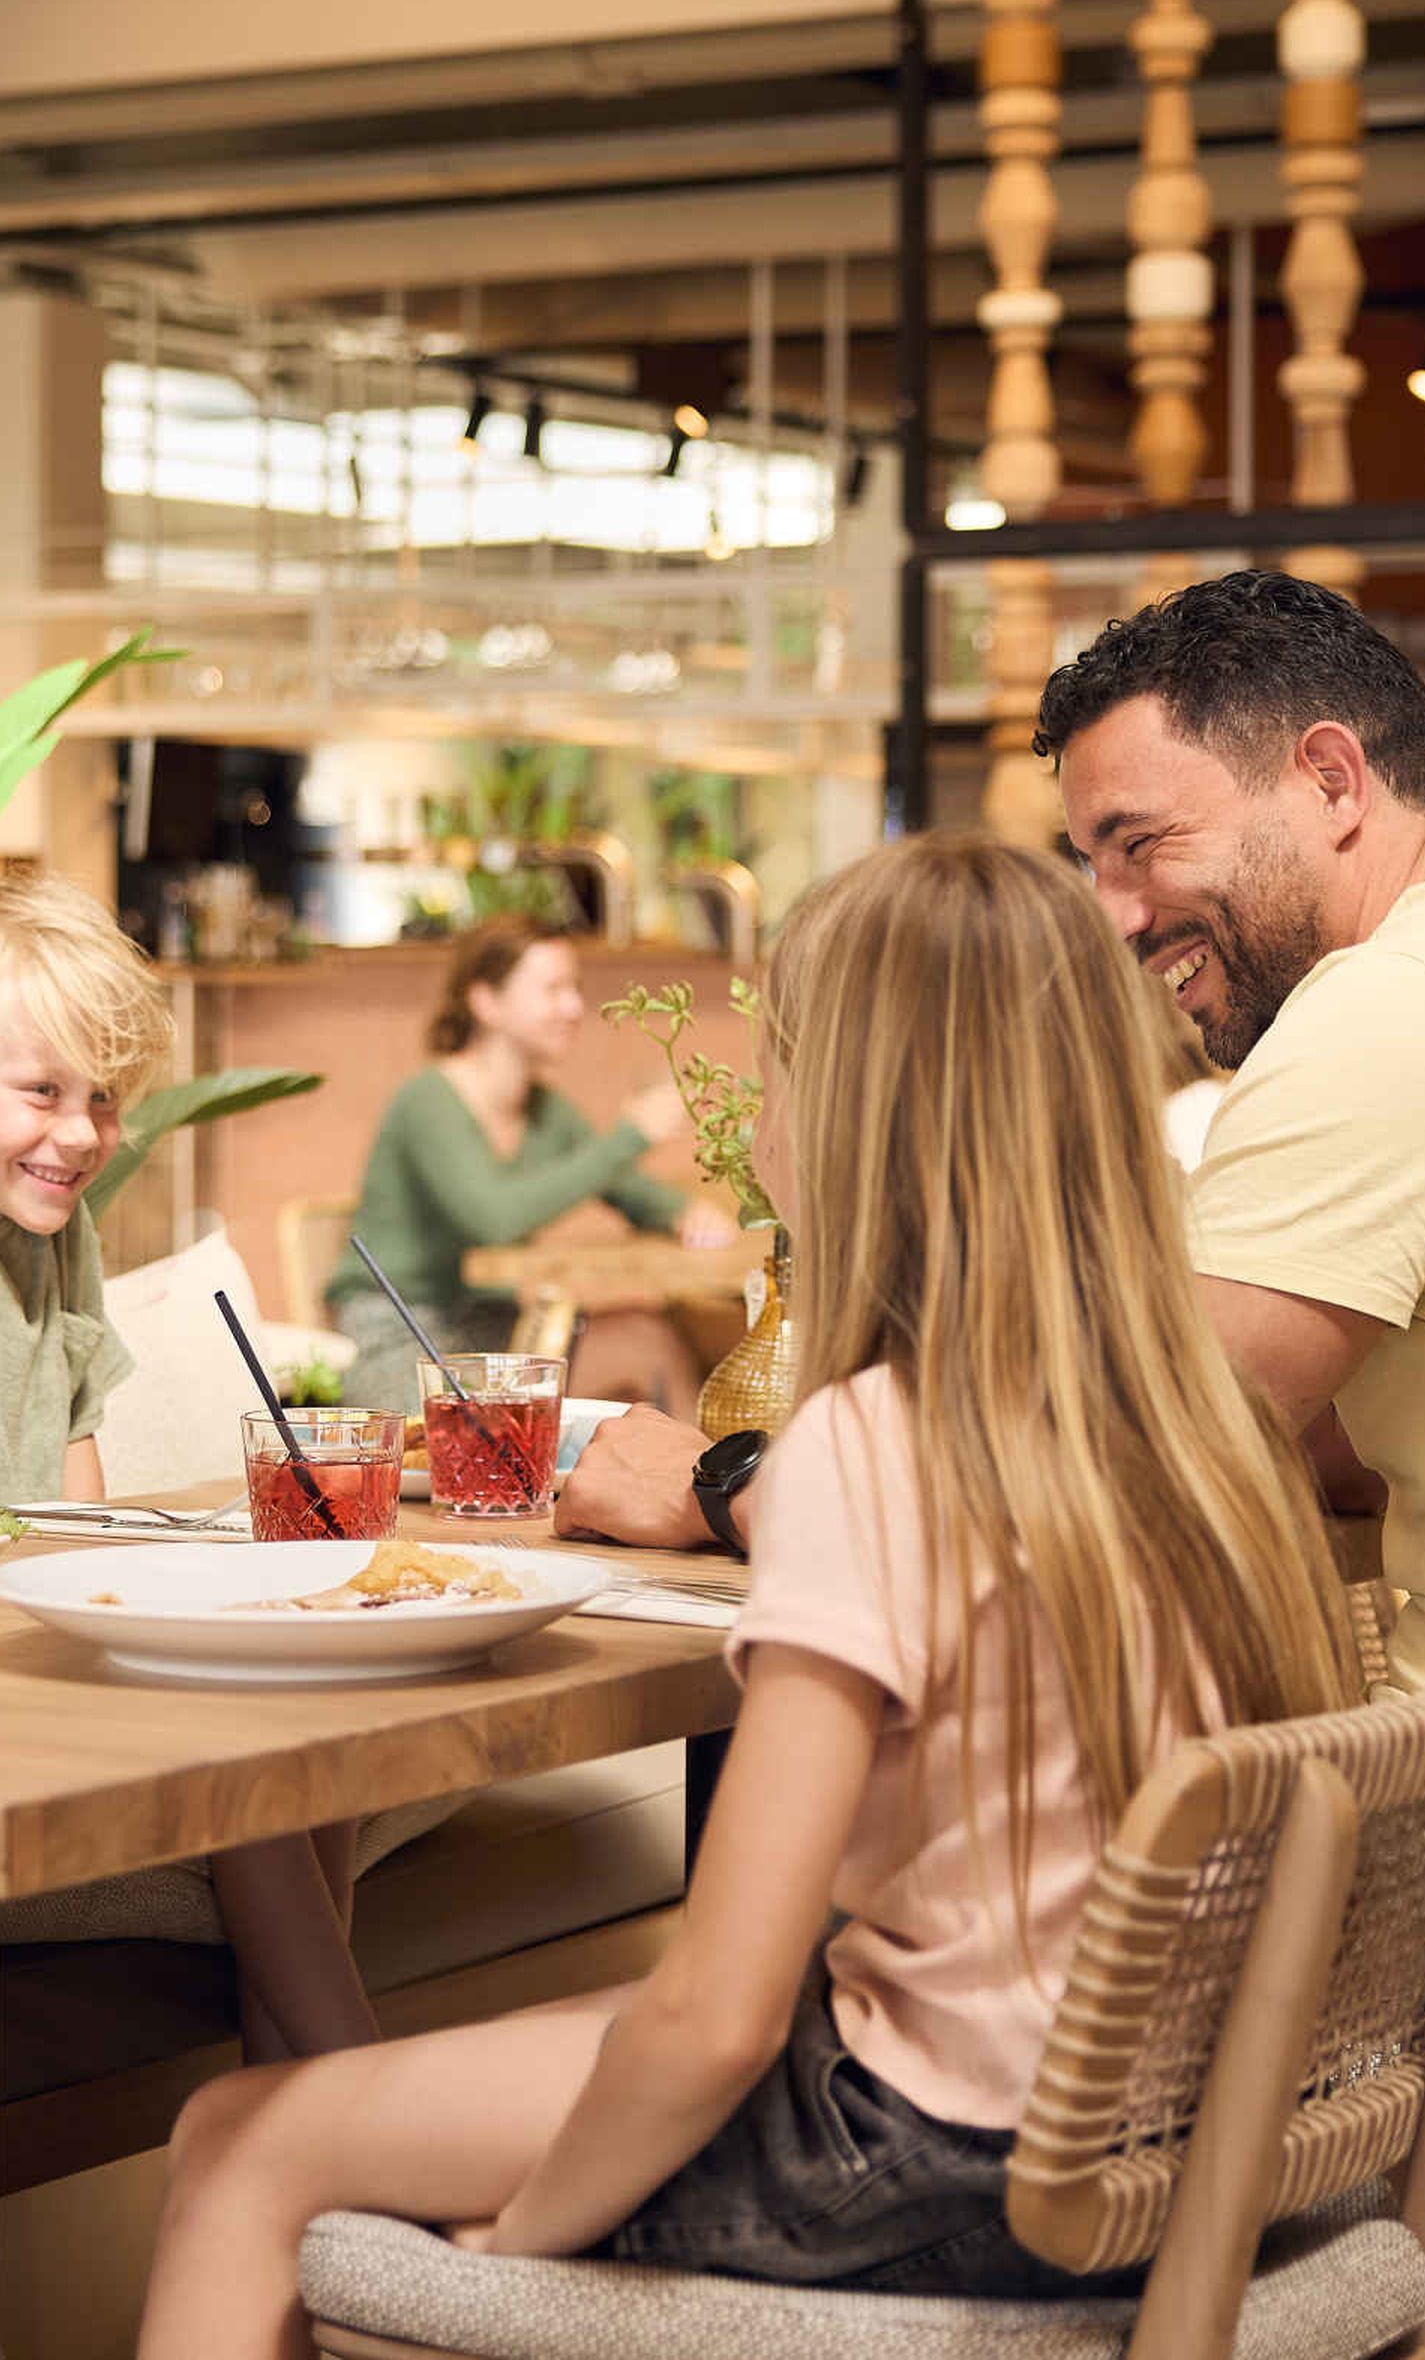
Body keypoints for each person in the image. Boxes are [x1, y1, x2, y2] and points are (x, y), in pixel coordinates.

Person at [561, 572, 1425, 2060]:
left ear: (1331, 778)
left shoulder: (1397, 1013)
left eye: (1142, 843)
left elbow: (1073, 1497)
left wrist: (724, 1486)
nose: (1110, 912)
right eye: (1086, 858)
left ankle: (824, 2224)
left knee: (974, 1927)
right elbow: (1347, 1439)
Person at [134, 836, 1362, 2355]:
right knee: (402, 2076)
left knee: (240, 2145)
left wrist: (529, 2243)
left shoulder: (879, 1443)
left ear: (848, 1118)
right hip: (1167, 2122)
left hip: (946, 2156)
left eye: (777, 1067)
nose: (758, 1116)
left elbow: (716, 2017)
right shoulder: (1210, 1429)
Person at [0, 870, 380, 2061]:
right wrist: (55, 1585)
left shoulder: (58, 1228)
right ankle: (349, 2071)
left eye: (102, 1098)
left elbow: (75, 1476)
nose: (83, 1133)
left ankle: (293, 2082)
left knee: (311, 1709)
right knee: (238, 1729)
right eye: (43, 1091)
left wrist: (116, 1586)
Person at [326, 922, 713, 1415]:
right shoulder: (429, 1101)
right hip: (400, 1335)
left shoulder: (545, 1111)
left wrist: (682, 1212)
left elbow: (627, 1190)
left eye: (574, 989)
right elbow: (494, 1218)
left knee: (650, 1337)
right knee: (518, 1413)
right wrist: (631, 1134)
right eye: (553, 989)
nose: (574, 1007)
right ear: (485, 1002)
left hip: (493, 1331)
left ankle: (691, 1488)